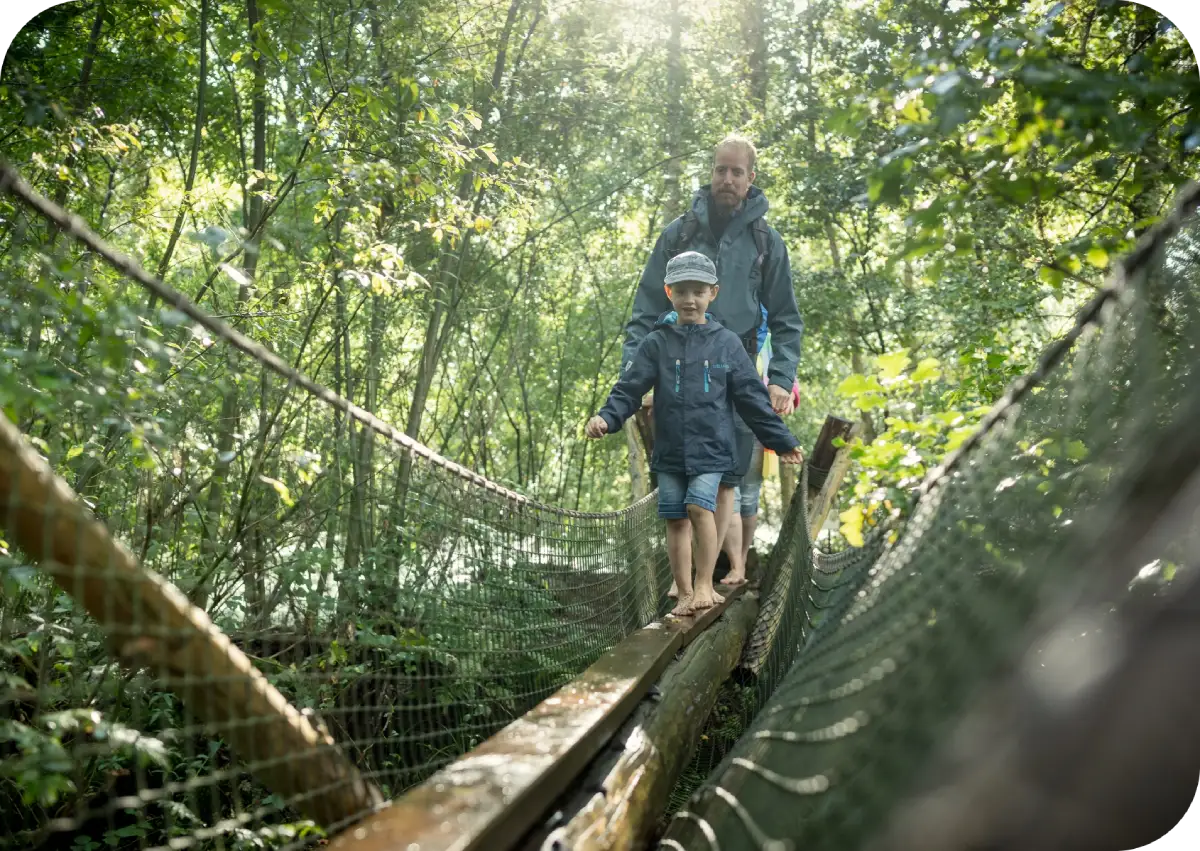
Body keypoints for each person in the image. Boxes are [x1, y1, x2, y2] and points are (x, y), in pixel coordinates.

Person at [623, 134, 804, 591]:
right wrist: (635, 377)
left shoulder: (766, 241)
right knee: (678, 474)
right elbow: (645, 310)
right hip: (676, 371)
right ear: (711, 172)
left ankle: (706, 581)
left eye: (736, 172)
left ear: (750, 178)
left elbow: (787, 319)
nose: (727, 179)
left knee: (727, 478)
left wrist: (780, 378)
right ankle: (683, 583)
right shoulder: (679, 234)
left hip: (737, 370)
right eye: (721, 169)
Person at [586, 252, 804, 617]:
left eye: (698, 291)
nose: (690, 299)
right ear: (669, 292)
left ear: (712, 293)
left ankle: (705, 583)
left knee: (699, 506)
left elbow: (752, 399)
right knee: (675, 518)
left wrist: (781, 441)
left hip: (712, 448)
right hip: (670, 449)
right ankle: (685, 593)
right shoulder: (656, 343)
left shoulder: (727, 343)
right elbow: (629, 388)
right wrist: (607, 418)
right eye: (682, 291)